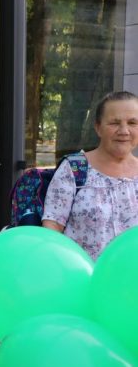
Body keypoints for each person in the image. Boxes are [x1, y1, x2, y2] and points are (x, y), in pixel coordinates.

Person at [42, 91, 138, 259]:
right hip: (82, 278)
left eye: (132, 123)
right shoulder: (75, 168)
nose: (124, 131)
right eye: (114, 123)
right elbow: (53, 226)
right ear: (98, 127)